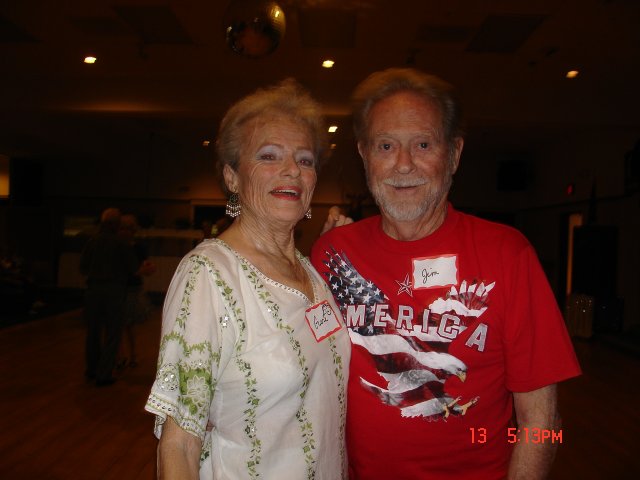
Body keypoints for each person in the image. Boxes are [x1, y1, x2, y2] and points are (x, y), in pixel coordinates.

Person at [311, 68, 581, 479]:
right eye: (386, 146)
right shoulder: (333, 254)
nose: (404, 165)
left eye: (423, 144)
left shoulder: (508, 255)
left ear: (454, 154)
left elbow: (543, 424)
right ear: (365, 155)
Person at [145, 79, 350, 479]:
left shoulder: (312, 274)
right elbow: (179, 444)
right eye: (269, 156)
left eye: (305, 160)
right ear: (232, 177)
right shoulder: (208, 275)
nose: (292, 170)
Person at [80, 207, 138, 386]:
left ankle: (91, 369)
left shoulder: (92, 242)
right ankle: (104, 374)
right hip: (114, 290)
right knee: (113, 333)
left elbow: (83, 267)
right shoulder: (121, 243)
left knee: (93, 332)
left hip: (93, 290)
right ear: (115, 224)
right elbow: (132, 268)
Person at [116, 214, 155, 370]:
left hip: (132, 288)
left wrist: (145, 269)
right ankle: (121, 356)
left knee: (129, 324)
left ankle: (132, 355)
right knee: (118, 324)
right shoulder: (117, 246)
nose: (125, 231)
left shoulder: (138, 247)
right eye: (123, 228)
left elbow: (146, 267)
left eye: (128, 228)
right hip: (119, 287)